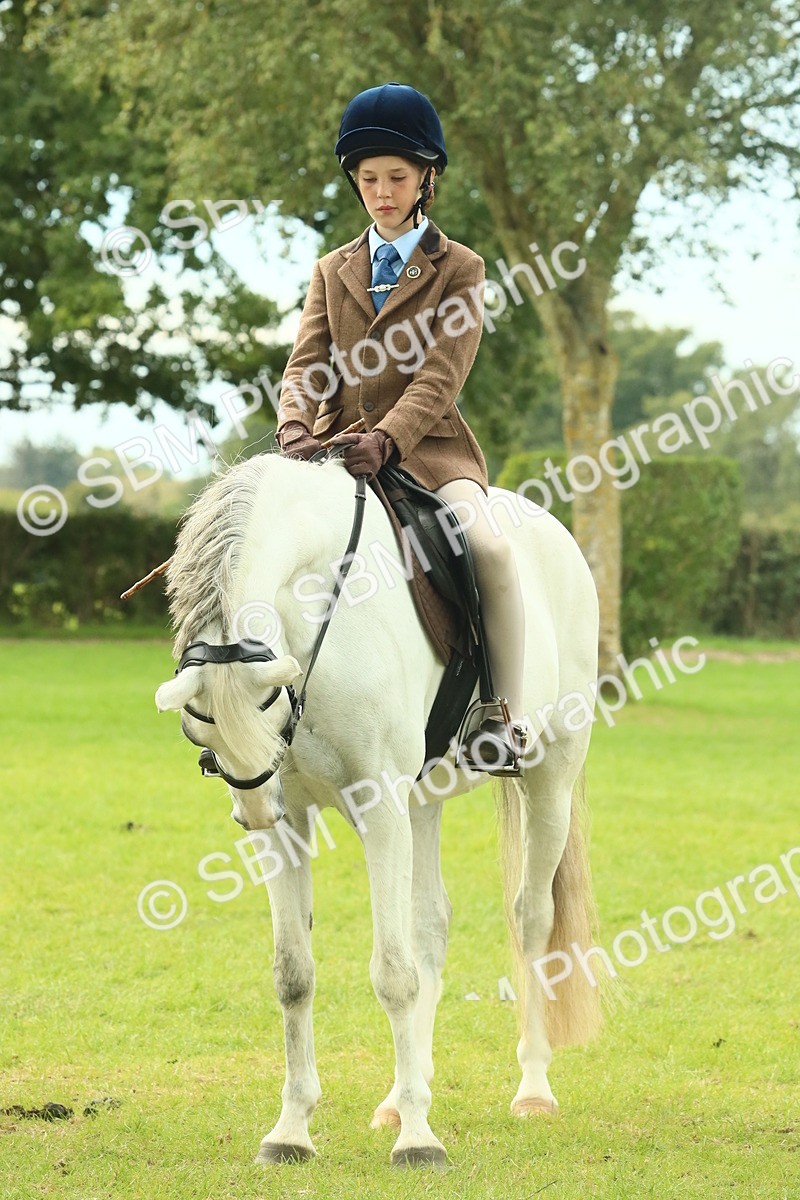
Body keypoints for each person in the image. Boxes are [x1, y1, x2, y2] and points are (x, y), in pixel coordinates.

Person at [275, 82, 528, 774]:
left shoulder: (462, 268)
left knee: (493, 551)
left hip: (429, 454)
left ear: (426, 179)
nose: (381, 192)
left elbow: (442, 375)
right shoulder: (333, 269)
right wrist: (296, 423)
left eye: (395, 177)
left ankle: (496, 714)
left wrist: (387, 437)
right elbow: (307, 361)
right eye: (368, 179)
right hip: (333, 452)